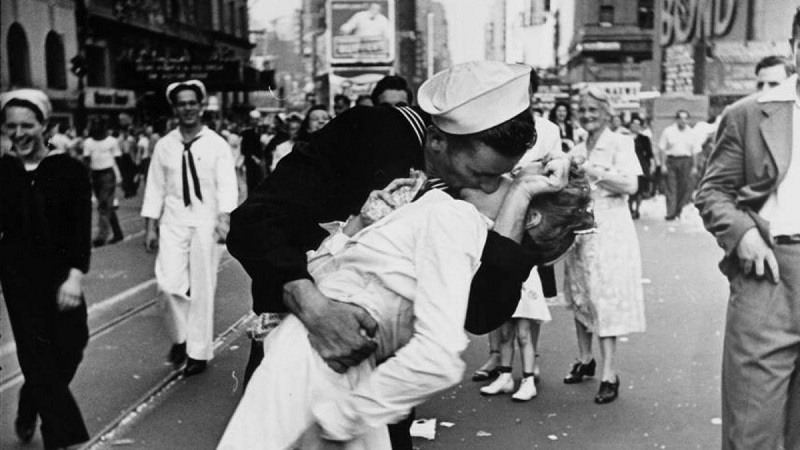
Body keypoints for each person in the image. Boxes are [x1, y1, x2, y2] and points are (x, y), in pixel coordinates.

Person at [226, 60, 570, 449]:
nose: (492, 187)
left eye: (502, 176)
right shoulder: (370, 132)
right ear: (438, 140)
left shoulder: (465, 198)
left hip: (376, 386)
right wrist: (314, 306)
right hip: (307, 352)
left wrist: (521, 197)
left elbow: (481, 312)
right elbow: (255, 221)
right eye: (481, 173)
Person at [218, 166, 593, 449]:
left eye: (508, 180)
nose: (497, 178)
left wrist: (336, 422)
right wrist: (358, 226)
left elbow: (445, 348)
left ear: (528, 214)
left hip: (327, 373)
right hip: (331, 374)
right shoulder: (446, 213)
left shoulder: (459, 223)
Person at [695, 10, 800, 448]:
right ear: (796, 47)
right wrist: (743, 233)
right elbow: (712, 191)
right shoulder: (748, 114)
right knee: (753, 428)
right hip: (770, 274)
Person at [0, 89, 91, 449]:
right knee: (36, 354)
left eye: (27, 125)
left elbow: (80, 228)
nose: (19, 134)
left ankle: (30, 400)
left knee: (71, 344)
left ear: (45, 126)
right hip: (17, 276)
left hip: (60, 275)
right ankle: (63, 438)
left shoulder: (68, 170)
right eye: (11, 127)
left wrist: (74, 276)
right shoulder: (3, 171)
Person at [472, 69, 563, 388]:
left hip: (532, 219)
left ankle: (530, 362)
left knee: (530, 296)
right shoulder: (490, 126)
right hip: (493, 213)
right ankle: (498, 357)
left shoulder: (548, 130)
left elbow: (556, 172)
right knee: (493, 280)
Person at [141, 80, 238, 376]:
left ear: (201, 106)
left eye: (192, 103)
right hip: (173, 221)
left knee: (203, 288)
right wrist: (150, 227)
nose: (187, 109)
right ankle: (180, 338)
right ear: (175, 109)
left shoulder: (216, 144)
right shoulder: (164, 145)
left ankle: (198, 352)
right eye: (181, 104)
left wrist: (224, 219)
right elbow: (155, 187)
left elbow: (227, 185)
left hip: (206, 222)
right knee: (168, 285)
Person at [562, 87, 646, 405]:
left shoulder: (621, 143)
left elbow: (630, 184)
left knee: (605, 296)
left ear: (607, 113)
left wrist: (589, 171)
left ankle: (610, 373)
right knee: (580, 293)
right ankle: (586, 359)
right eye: (582, 110)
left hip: (611, 227)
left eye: (593, 110)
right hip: (580, 227)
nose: (587, 116)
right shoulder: (577, 146)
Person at [83, 119, 124, 247]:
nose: (96, 129)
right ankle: (118, 233)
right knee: (106, 206)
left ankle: (102, 236)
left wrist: (120, 177)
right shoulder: (88, 142)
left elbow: (118, 158)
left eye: (98, 126)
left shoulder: (112, 141)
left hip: (107, 174)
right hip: (95, 174)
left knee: (104, 205)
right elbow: (86, 160)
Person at [658, 110, 698, 220]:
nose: (683, 121)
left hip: (686, 161)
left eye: (685, 118)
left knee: (684, 187)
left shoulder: (692, 133)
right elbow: (662, 149)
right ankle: (670, 212)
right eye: (681, 118)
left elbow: (695, 151)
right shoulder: (668, 131)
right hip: (671, 161)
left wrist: (694, 166)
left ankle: (678, 210)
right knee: (671, 187)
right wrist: (663, 165)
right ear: (676, 119)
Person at [628, 117, 655, 219]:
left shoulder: (644, 138)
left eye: (637, 125)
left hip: (641, 165)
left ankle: (637, 209)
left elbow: (649, 154)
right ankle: (630, 208)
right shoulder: (624, 138)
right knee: (630, 189)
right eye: (633, 124)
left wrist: (650, 166)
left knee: (639, 189)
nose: (635, 127)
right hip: (628, 165)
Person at [240, 110, 266, 193]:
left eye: (257, 119)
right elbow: (244, 150)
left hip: (261, 163)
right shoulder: (246, 133)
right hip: (251, 164)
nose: (255, 121)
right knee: (252, 186)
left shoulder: (262, 131)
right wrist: (254, 158)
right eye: (253, 119)